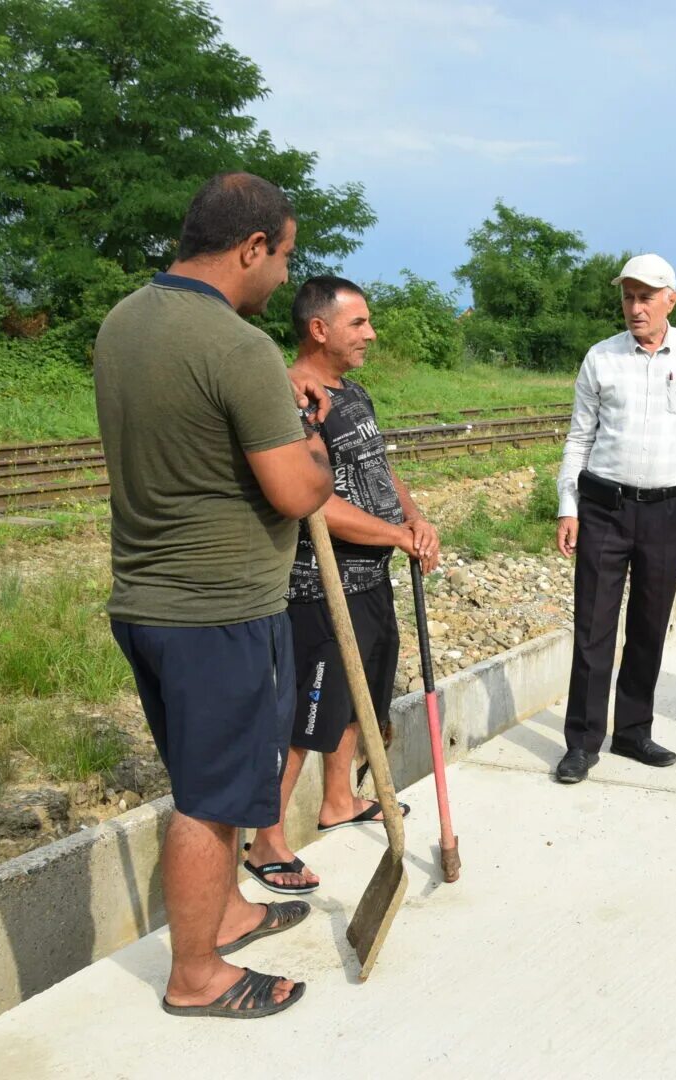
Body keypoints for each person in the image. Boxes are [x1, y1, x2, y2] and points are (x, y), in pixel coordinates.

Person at [95, 172, 333, 1018]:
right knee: (209, 798)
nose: (281, 276)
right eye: (283, 257)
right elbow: (296, 493)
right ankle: (197, 975)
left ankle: (229, 910)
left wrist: (273, 403)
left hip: (146, 602)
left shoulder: (124, 322)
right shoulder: (238, 346)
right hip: (221, 609)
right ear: (251, 248)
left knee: (213, 775)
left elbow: (195, 431)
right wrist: (312, 435)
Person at [243, 276, 441, 893]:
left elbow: (379, 473)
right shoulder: (293, 406)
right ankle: (265, 842)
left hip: (370, 576)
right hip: (319, 586)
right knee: (311, 709)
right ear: (319, 329)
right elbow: (315, 506)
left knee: (366, 696)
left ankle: (339, 801)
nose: (371, 334)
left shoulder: (352, 395)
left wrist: (412, 518)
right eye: (359, 324)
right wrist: (394, 537)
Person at [553, 254, 676, 784]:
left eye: (646, 297)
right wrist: (569, 506)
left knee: (650, 624)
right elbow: (579, 437)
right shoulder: (601, 358)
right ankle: (582, 743)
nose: (636, 307)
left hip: (668, 510)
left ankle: (633, 731)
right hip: (603, 506)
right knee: (593, 627)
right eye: (628, 297)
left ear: (669, 300)